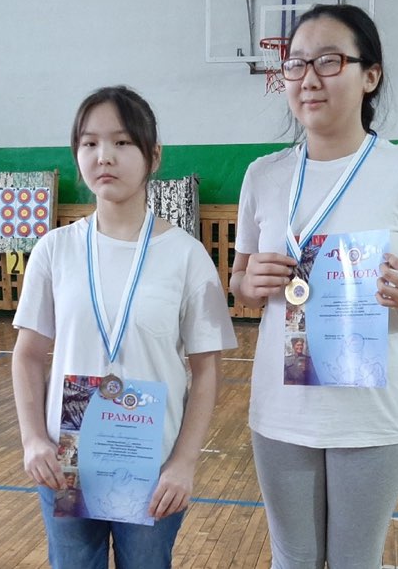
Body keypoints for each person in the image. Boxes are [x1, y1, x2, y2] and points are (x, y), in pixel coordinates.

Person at [230, 5, 398, 568]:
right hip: (282, 413)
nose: (308, 78)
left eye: (329, 61)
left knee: (356, 561)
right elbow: (239, 281)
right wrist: (247, 282)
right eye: (296, 63)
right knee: (293, 558)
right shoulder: (263, 175)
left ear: (370, 75)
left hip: (370, 415)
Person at [12, 85, 237, 569]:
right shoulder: (54, 250)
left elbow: (207, 370)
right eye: (89, 143)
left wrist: (183, 463)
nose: (104, 156)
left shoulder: (187, 256)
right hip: (67, 462)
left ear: (153, 155)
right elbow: (27, 354)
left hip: (154, 469)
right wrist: (33, 440)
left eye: (121, 142)